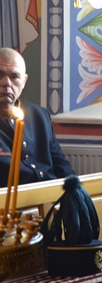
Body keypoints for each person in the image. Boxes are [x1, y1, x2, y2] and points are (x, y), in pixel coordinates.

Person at [1, 47, 75, 184]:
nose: (6, 83)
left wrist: (75, 190)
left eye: (14, 76)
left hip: (51, 194)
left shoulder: (40, 116)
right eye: (0, 75)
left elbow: (61, 166)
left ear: (24, 81)